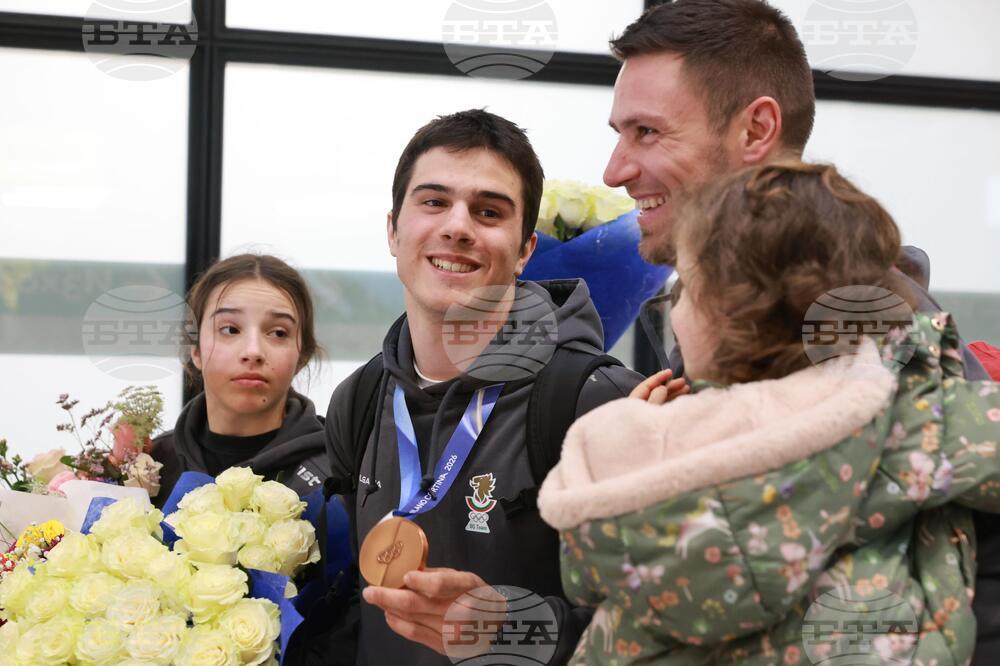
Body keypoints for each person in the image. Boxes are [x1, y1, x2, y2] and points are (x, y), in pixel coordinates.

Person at [599, 2, 998, 659]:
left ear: (756, 128)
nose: (614, 169)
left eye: (647, 132)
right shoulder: (707, 318)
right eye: (620, 133)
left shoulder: (875, 332)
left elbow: (973, 584)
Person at [538, 160, 1000, 664]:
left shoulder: (625, 475)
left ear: (728, 316)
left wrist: (642, 442)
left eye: (684, 289)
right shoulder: (921, 416)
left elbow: (589, 588)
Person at [320, 109, 644, 665]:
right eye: (434, 202)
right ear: (394, 231)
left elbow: (672, 630)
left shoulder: (595, 403)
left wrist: (513, 632)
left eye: (488, 211)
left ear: (524, 251)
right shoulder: (360, 399)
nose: (458, 226)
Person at [151, 253, 328, 507]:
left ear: (301, 356)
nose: (253, 352)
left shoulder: (339, 473)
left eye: (278, 333)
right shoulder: (151, 465)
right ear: (196, 350)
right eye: (230, 329)